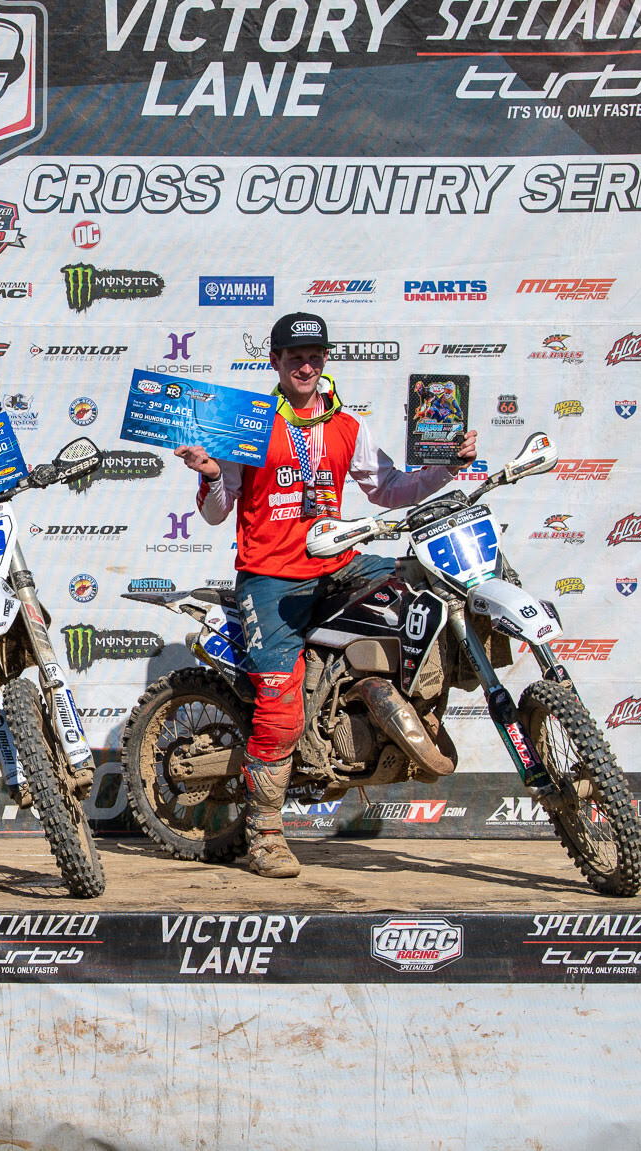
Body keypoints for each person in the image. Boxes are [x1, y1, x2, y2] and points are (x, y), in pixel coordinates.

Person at [173, 312, 477, 879]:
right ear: (275, 362)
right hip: (270, 577)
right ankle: (265, 834)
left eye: (314, 355)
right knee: (279, 703)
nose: (305, 365)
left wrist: (444, 468)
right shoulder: (248, 424)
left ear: (326, 359)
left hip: (337, 563)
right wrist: (212, 473)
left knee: (426, 588)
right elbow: (216, 513)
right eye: (294, 357)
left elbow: (388, 489)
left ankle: (410, 714)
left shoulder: (346, 426)